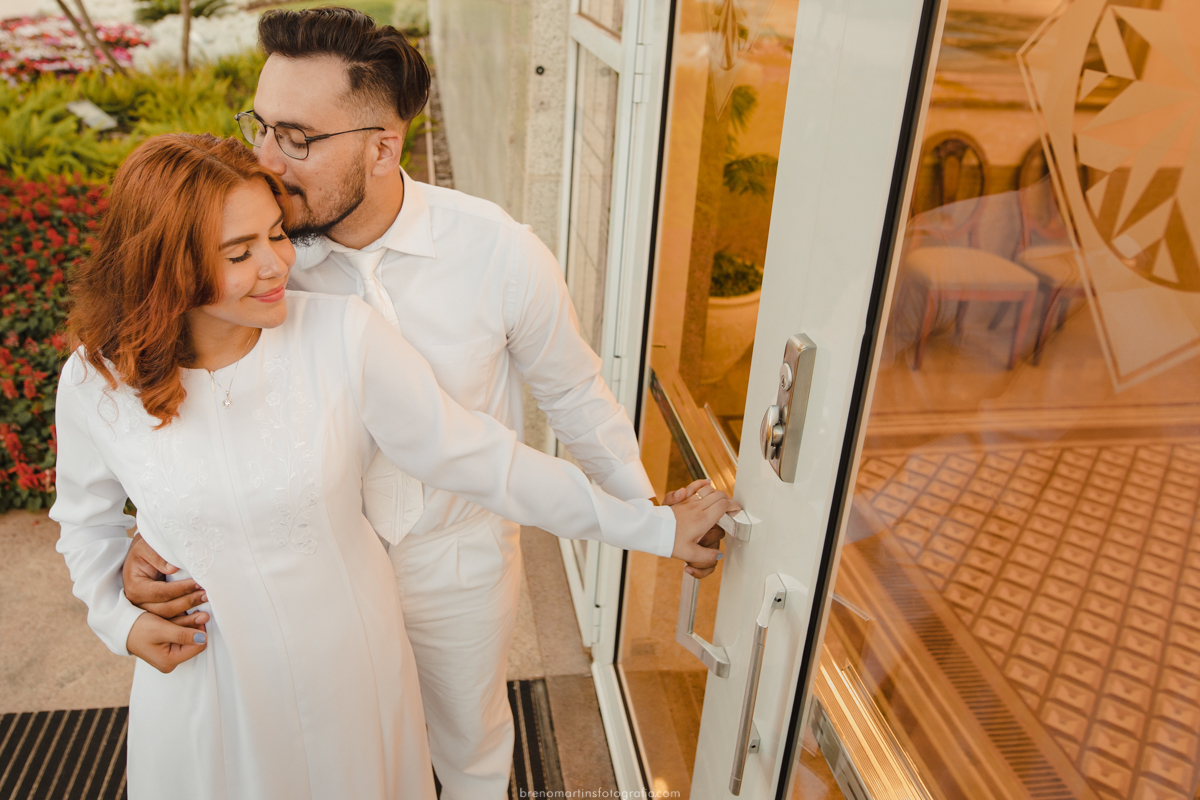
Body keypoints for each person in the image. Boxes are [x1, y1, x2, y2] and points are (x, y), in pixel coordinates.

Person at [117, 8, 726, 798]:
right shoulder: (255, 269)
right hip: (318, 576)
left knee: (469, 748)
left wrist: (648, 516)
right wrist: (146, 535)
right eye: (259, 127)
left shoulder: (499, 250)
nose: (265, 160)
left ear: (382, 146)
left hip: (457, 563)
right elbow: (185, 398)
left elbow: (573, 395)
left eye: (297, 137)